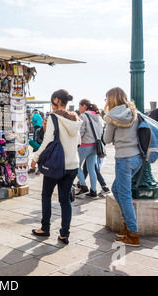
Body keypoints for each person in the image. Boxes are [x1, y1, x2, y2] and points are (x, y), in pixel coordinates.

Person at [30, 89, 82, 245]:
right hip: (73, 164)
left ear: (57, 100)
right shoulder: (76, 119)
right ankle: (64, 234)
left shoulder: (54, 117)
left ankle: (45, 228)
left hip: (56, 164)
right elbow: (78, 142)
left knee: (46, 195)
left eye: (52, 101)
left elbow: (47, 141)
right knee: (65, 200)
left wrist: (35, 158)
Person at [103, 87, 142, 247]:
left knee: (124, 195)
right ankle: (127, 226)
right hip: (137, 158)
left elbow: (106, 139)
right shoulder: (135, 113)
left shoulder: (112, 116)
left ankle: (133, 234)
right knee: (117, 189)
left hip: (124, 159)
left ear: (111, 99)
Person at [75, 99, 104, 199]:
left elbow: (81, 132)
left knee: (76, 165)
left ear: (84, 106)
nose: (79, 108)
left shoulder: (83, 116)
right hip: (95, 146)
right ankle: (94, 190)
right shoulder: (98, 117)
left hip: (85, 145)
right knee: (91, 169)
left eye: (79, 106)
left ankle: (83, 185)